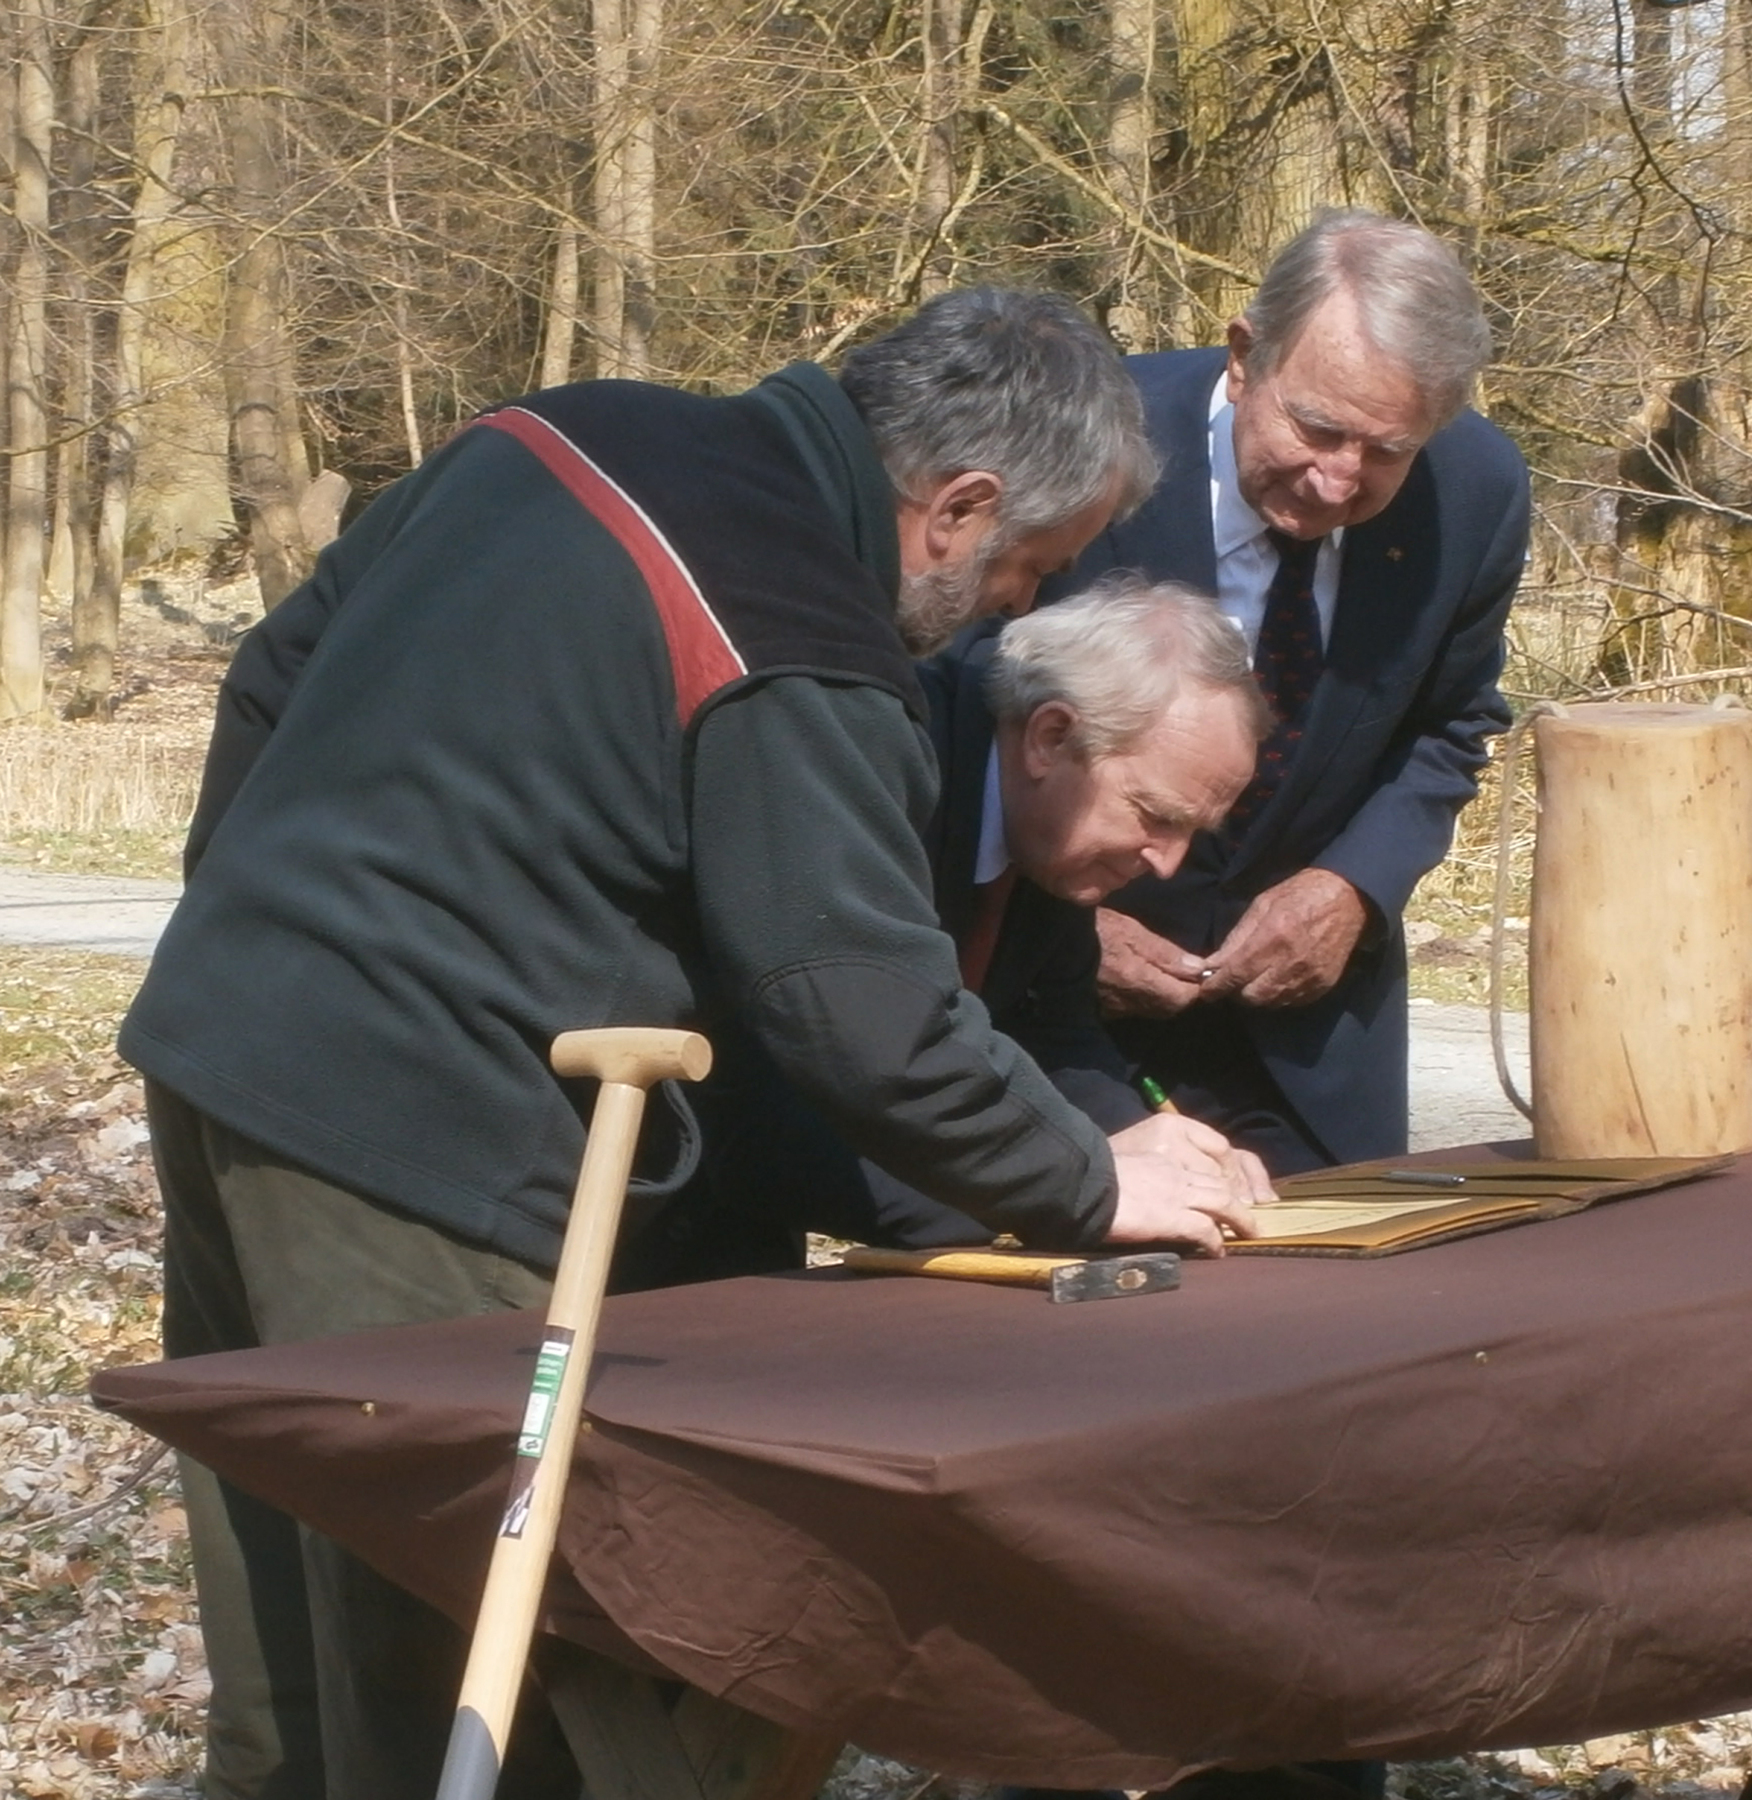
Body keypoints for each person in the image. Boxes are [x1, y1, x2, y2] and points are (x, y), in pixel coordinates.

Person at [121, 288, 1264, 1800]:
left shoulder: (566, 429)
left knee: (281, 1561)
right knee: (460, 1645)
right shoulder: (800, 620)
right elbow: (856, 1004)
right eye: (1028, 571)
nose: (1007, 616)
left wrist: (261, 932)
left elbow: (275, 674)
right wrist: (1077, 1178)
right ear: (957, 507)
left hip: (222, 1042)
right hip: (426, 1136)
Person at [630, 574, 1276, 1272]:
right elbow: (810, 1067)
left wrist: (1157, 1155)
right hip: (642, 1196)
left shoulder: (1055, 841)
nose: (1169, 862)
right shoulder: (881, 759)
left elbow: (1059, 1041)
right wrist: (1068, 1188)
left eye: (1194, 833)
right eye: (1155, 815)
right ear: (1050, 736)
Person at [1066, 210, 1531, 1178]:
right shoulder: (1084, 444)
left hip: (1313, 1056)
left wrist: (1354, 887)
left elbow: (1452, 726)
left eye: (1387, 452)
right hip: (1064, 1031)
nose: (1336, 482)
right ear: (1245, 358)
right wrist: (1061, 930)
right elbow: (958, 718)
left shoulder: (1477, 492)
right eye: (1316, 428)